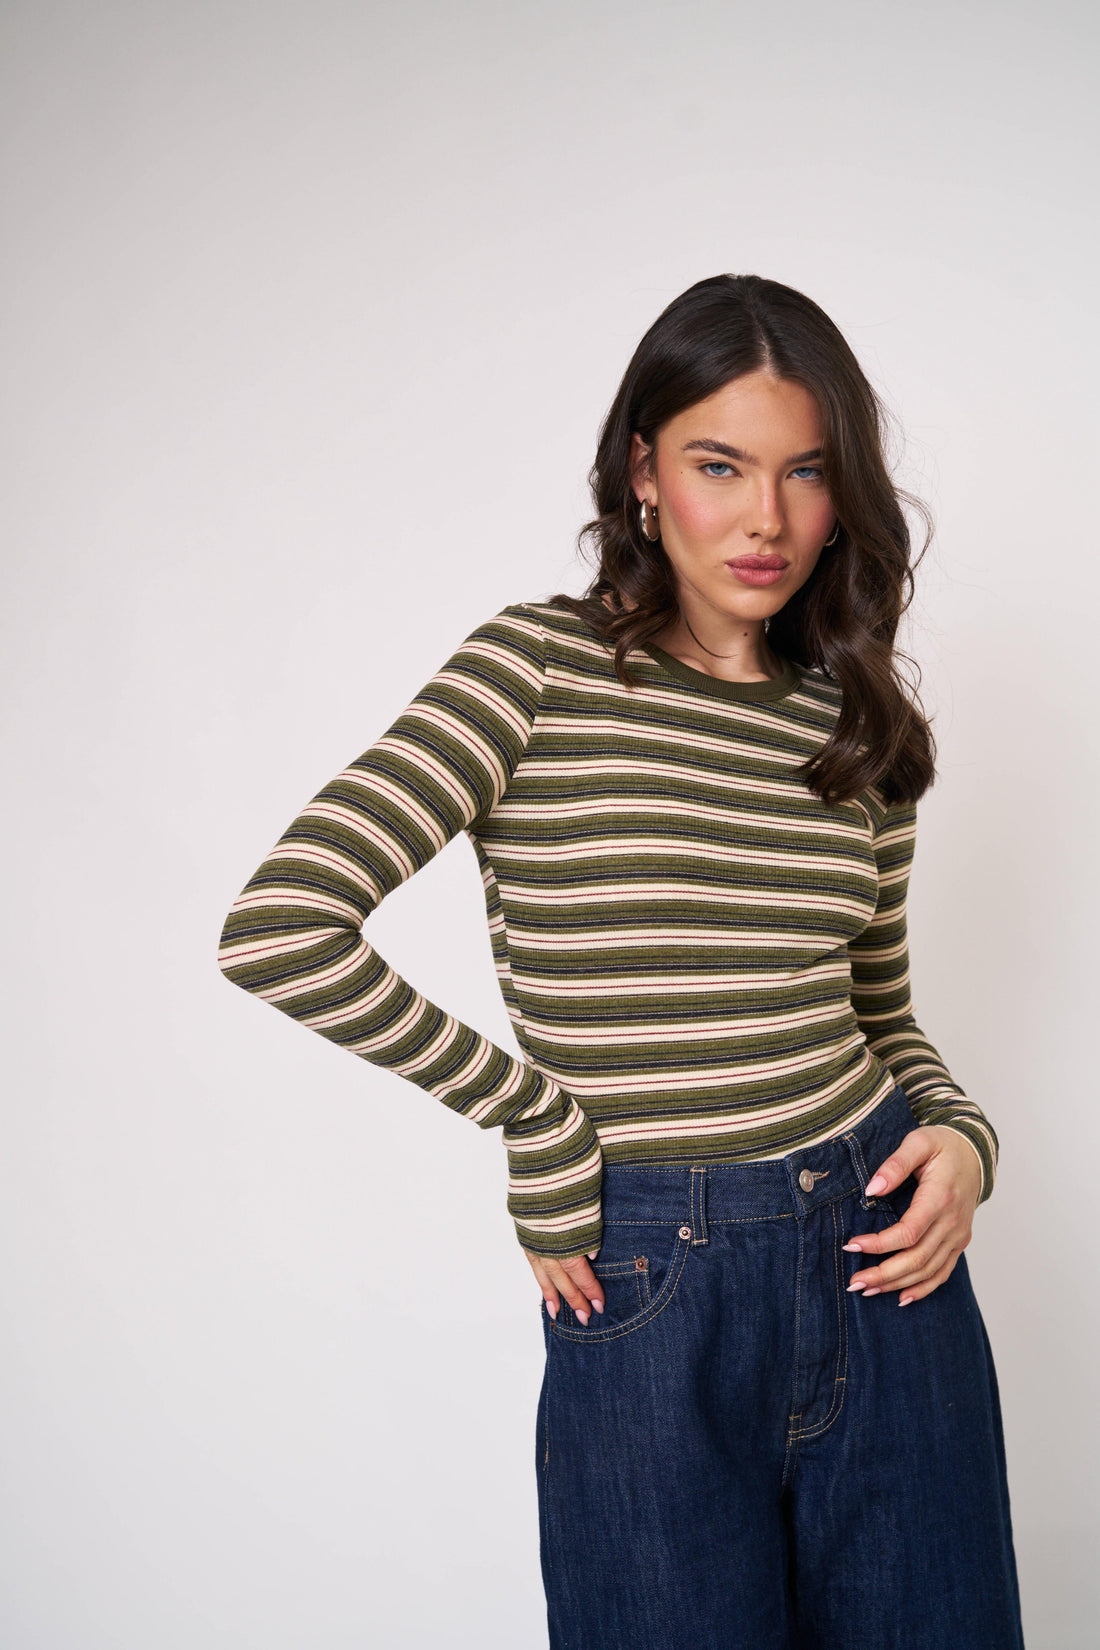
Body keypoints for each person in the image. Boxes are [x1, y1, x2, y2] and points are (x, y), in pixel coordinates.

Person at [217, 274, 1025, 1649]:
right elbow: (282, 924)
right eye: (721, 465)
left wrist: (963, 1139)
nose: (766, 518)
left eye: (806, 471)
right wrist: (537, 1118)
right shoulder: (535, 667)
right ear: (644, 473)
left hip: (885, 1257)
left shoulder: (859, 722)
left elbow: (881, 1012)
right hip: (650, 1271)